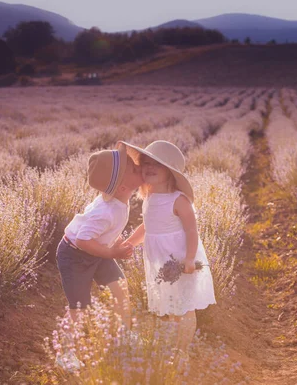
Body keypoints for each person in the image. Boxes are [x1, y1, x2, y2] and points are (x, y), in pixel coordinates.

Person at [55, 142, 143, 371]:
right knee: (79, 306)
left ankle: (125, 334)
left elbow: (100, 236)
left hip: (97, 250)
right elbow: (84, 240)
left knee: (120, 288)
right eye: (134, 169)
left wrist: (114, 246)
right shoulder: (106, 211)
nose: (139, 168)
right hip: (75, 255)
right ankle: (65, 353)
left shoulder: (120, 201)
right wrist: (112, 252)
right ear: (123, 186)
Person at [124, 140, 216, 354]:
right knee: (172, 306)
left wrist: (190, 258)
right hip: (159, 261)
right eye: (145, 163)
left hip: (179, 260)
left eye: (157, 164)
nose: (149, 168)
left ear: (171, 171)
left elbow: (192, 231)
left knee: (184, 307)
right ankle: (175, 348)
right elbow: (146, 227)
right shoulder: (150, 196)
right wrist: (128, 243)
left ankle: (181, 353)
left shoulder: (179, 200)